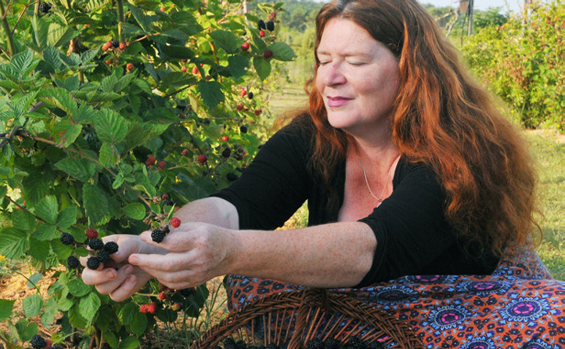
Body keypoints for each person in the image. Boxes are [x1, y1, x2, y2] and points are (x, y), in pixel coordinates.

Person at [82, 0, 565, 347]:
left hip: (457, 300)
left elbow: (376, 246)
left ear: (410, 70)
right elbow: (237, 205)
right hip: (360, 301)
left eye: (353, 62)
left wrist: (230, 251)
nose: (329, 78)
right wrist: (152, 244)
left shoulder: (457, 149)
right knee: (255, 282)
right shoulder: (314, 136)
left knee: (550, 321)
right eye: (323, 60)